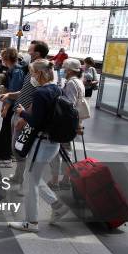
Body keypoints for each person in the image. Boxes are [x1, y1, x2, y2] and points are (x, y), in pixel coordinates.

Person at [8, 60, 70, 233]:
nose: (32, 77)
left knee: (31, 182)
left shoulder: (41, 93)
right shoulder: (57, 88)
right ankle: (58, 206)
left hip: (41, 144)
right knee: (33, 177)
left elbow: (36, 121)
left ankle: (31, 222)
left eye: (33, 73)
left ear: (40, 74)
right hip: (53, 143)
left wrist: (22, 113)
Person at [0, 40, 49, 188]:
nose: (28, 52)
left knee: (20, 148)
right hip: (20, 112)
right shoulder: (32, 69)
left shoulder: (41, 70)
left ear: (38, 53)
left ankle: (24, 181)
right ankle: (19, 177)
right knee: (17, 148)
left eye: (31, 50)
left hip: (24, 116)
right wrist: (9, 96)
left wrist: (26, 117)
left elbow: (40, 97)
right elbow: (25, 91)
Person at [48, 59, 84, 190]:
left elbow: (69, 104)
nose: (61, 70)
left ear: (69, 70)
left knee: (58, 152)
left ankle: (55, 180)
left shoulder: (71, 84)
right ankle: (66, 180)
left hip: (65, 123)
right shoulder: (78, 82)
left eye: (63, 67)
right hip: (72, 122)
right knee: (66, 150)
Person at [0, 48, 23, 167]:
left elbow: (13, 91)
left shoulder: (16, 71)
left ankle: (6, 158)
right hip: (10, 104)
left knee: (7, 130)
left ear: (6, 58)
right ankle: (5, 156)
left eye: (3, 57)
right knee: (6, 130)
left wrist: (6, 107)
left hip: (13, 106)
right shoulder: (13, 70)